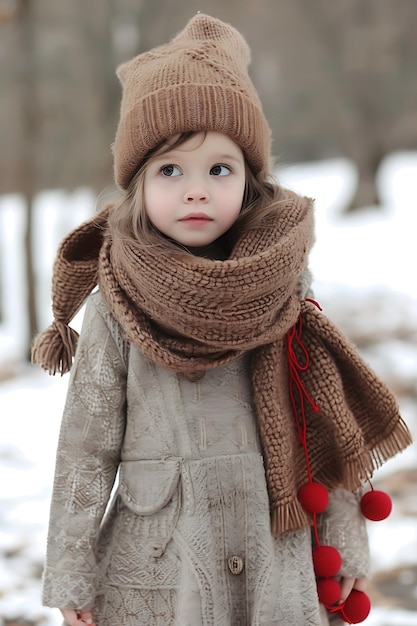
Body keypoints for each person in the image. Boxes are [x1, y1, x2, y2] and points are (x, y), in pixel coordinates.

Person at [32, 13, 412, 626]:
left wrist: (346, 544)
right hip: (160, 564)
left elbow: (323, 423)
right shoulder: (115, 298)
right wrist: (73, 573)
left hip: (276, 548)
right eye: (170, 170)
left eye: (219, 169)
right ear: (137, 183)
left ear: (249, 180)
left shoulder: (283, 285)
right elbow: (87, 447)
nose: (196, 190)